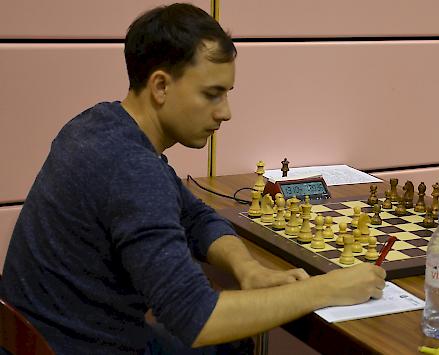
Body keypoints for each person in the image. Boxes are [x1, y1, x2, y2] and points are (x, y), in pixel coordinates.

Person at [0, 3, 386, 354]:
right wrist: (326, 289)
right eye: (212, 94)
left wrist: (247, 269)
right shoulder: (132, 169)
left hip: (35, 336)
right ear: (161, 86)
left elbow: (196, 217)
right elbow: (197, 318)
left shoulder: (98, 124)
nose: (226, 112)